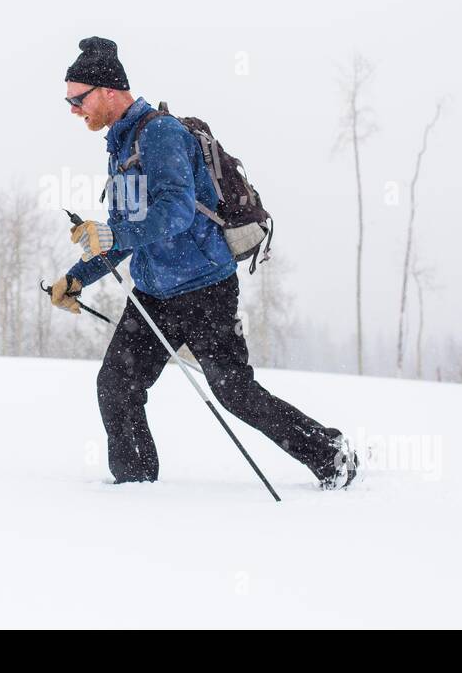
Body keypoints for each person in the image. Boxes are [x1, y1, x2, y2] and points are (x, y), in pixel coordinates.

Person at [48, 36, 359, 489]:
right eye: (70, 101)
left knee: (235, 392)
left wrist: (115, 233)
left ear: (109, 91)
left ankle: (330, 453)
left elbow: (175, 211)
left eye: (78, 99)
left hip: (205, 290)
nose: (74, 110)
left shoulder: (161, 134)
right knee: (116, 386)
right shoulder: (119, 147)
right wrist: (77, 278)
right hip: (153, 295)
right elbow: (123, 234)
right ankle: (134, 491)